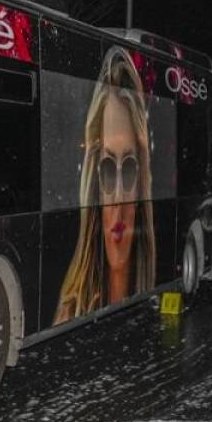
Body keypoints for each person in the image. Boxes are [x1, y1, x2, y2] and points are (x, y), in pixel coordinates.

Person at [54, 46, 156, 324]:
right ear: (95, 180)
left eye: (130, 169)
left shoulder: (151, 288)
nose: (119, 197)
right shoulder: (69, 313)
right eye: (109, 169)